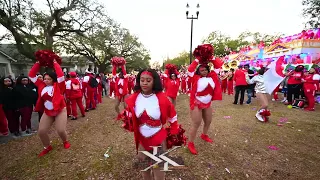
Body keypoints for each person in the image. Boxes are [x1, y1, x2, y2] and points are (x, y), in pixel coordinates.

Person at [122, 69, 180, 180]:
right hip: (142, 139)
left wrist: (174, 131)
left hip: (158, 137)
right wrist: (127, 122)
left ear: (154, 82)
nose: (144, 83)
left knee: (158, 169)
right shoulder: (134, 98)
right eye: (142, 80)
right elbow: (129, 115)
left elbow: (173, 116)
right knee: (144, 167)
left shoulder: (162, 99)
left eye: (148, 80)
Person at [29, 60, 71, 157]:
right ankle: (47, 146)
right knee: (41, 131)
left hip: (60, 110)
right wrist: (38, 63)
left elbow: (60, 75)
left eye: (49, 79)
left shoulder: (59, 86)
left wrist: (55, 63)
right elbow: (31, 75)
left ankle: (65, 141)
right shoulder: (41, 85)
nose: (46, 80)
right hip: (48, 111)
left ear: (53, 79)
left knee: (60, 130)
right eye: (45, 78)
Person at [187, 44, 223, 155]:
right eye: (201, 70)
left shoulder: (212, 76)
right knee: (196, 123)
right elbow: (190, 70)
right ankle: (190, 143)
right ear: (199, 71)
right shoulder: (195, 78)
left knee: (208, 121)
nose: (204, 71)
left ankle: (204, 135)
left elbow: (218, 66)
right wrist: (198, 60)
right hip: (197, 103)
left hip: (207, 103)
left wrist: (210, 57)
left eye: (205, 69)